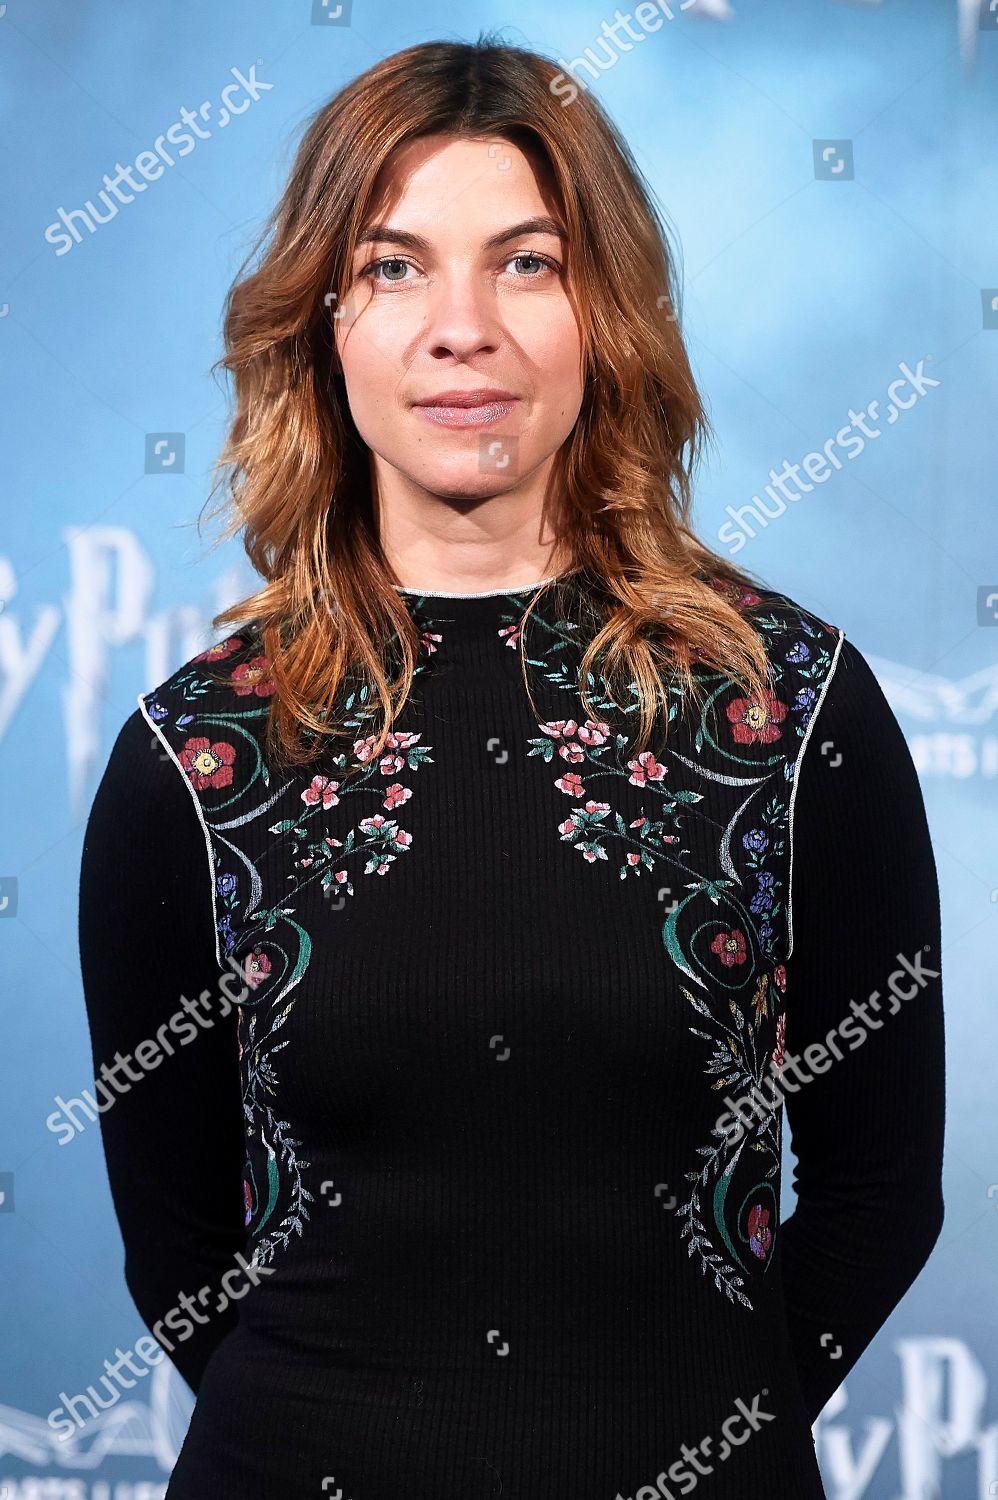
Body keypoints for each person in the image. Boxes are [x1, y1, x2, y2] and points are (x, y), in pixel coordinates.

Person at [77, 34, 946, 1500]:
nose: (459, 327)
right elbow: (174, 1248)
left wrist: (697, 1443)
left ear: (605, 312)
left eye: (527, 263)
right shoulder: (201, 746)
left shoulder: (788, 707)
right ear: (323, 322)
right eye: (397, 266)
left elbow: (875, 1196)